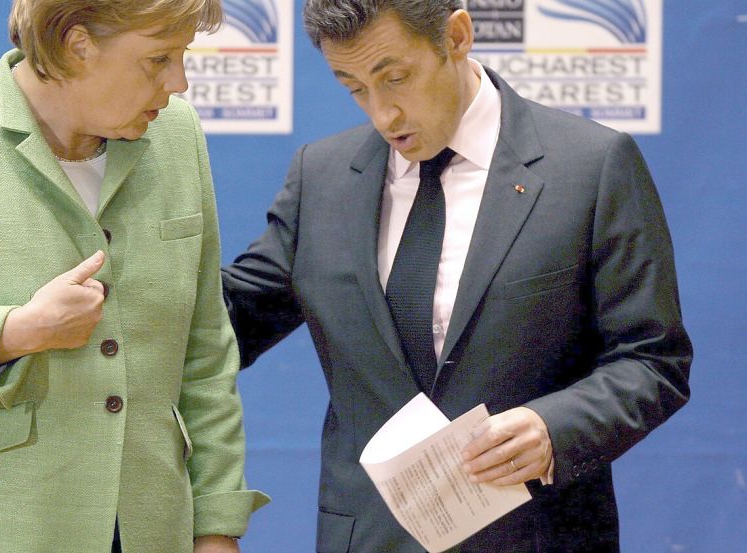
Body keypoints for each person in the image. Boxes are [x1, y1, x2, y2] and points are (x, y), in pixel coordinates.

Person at [221, 0, 691, 551]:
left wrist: (552, 429)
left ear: (458, 36)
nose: (382, 115)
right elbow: (224, 325)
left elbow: (653, 359)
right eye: (353, 87)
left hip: (536, 535)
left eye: (395, 78)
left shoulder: (590, 166)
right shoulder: (321, 178)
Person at [0, 1, 268, 552]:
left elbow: (206, 352)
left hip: (146, 529)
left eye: (182, 57)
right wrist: (16, 331)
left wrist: (215, 524)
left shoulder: (178, 136)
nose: (178, 83)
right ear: (77, 44)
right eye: (159, 59)